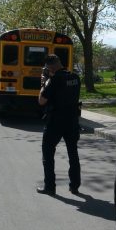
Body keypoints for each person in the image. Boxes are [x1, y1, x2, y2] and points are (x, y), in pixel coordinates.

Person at [36, 54, 81, 195]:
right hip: (72, 120)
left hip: (55, 121)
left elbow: (41, 101)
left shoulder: (53, 80)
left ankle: (50, 187)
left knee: (48, 154)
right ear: (59, 62)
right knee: (73, 153)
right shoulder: (75, 77)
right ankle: (75, 185)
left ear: (50, 67)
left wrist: (43, 84)